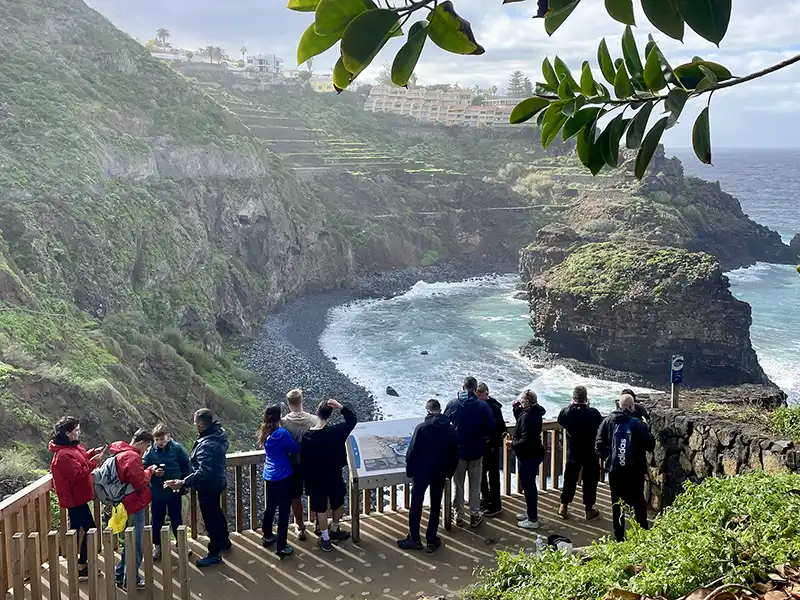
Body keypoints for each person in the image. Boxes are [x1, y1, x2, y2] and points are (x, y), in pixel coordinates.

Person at [165, 409, 230, 567]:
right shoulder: (220, 433)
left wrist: (183, 482)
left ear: (201, 424)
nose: (195, 425)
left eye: (195, 423)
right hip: (219, 479)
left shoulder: (206, 445)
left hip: (208, 485)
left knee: (210, 518)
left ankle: (214, 553)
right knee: (217, 512)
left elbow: (203, 471)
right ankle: (224, 540)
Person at [397, 399, 459, 553]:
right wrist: (448, 474)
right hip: (439, 473)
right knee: (435, 505)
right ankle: (431, 540)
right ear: (440, 410)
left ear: (427, 411)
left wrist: (410, 471)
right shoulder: (450, 429)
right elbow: (455, 455)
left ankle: (414, 539)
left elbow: (411, 453)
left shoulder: (421, 428)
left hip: (421, 472)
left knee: (416, 505)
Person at [49, 416, 106, 581]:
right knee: (90, 530)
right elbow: (76, 474)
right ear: (68, 433)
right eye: (76, 430)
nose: (79, 433)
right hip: (74, 499)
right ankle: (81, 566)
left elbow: (80, 459)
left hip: (77, 497)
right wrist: (94, 463)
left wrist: (92, 453)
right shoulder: (63, 455)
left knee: (75, 530)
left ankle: (77, 565)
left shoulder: (72, 448)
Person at [596, 394, 656, 541]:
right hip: (634, 469)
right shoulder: (637, 424)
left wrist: (609, 458)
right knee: (638, 500)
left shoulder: (608, 421)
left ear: (619, 406)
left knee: (617, 503)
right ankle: (642, 531)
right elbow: (650, 445)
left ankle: (619, 536)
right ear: (631, 406)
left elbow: (598, 445)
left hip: (616, 470)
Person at [301, 398, 357, 552]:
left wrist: (306, 480)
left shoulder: (307, 437)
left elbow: (304, 461)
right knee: (337, 502)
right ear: (329, 415)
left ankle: (325, 538)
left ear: (317, 413)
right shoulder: (336, 432)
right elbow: (352, 420)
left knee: (320, 508)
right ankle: (335, 529)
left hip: (316, 478)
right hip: (334, 474)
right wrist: (340, 406)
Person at [110, 429, 161, 590]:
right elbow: (141, 482)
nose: (145, 450)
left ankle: (120, 575)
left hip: (124, 503)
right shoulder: (132, 457)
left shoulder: (119, 452)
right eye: (146, 447)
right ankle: (131, 579)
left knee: (130, 541)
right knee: (136, 543)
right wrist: (150, 471)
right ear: (141, 443)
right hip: (133, 505)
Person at [444, 376, 496, 528]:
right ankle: (474, 515)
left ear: (462, 387)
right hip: (477, 451)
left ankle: (458, 515)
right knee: (475, 485)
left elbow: (444, 423)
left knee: (458, 485)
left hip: (458, 452)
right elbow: (491, 427)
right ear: (474, 389)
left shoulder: (453, 404)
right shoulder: (482, 406)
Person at [143, 423, 191, 561]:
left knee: (176, 518)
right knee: (157, 520)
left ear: (168, 437)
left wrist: (184, 484)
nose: (160, 442)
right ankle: (156, 545)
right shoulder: (150, 451)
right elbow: (144, 466)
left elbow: (186, 467)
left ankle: (182, 543)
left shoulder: (177, 449)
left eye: (162, 439)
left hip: (173, 490)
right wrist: (153, 472)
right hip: (157, 491)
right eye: (157, 440)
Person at [557, 386, 604, 521]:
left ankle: (563, 506)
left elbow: (561, 419)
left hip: (573, 452)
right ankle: (589, 509)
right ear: (586, 399)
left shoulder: (567, 413)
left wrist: (573, 406)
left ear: (573, 399)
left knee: (569, 479)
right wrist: (586, 407)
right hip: (590, 452)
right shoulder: (593, 413)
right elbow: (599, 424)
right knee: (590, 480)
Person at [259, 405, 300, 558]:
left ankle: (268, 535)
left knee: (270, 507)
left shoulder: (265, 432)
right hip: (283, 476)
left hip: (269, 476)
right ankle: (281, 546)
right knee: (283, 512)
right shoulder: (282, 434)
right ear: (279, 417)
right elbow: (294, 449)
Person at [281, 388, 318, 541]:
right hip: (312, 464)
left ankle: (301, 526)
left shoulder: (284, 423)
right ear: (302, 401)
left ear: (289, 404)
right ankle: (318, 522)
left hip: (293, 465)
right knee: (316, 493)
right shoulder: (314, 420)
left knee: (295, 496)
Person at [508, 389, 545, 530]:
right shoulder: (534, 412)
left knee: (529, 487)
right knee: (529, 485)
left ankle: (533, 519)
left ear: (528, 401)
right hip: (534, 454)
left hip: (528, 456)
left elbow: (525, 439)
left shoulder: (528, 416)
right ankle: (530, 512)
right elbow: (522, 422)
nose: (520, 401)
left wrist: (512, 443)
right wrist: (516, 409)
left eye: (522, 399)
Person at [476, 381, 508, 518]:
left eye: (480, 395)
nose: (478, 398)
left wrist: (492, 441)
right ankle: (486, 498)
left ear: (486, 394)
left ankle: (496, 504)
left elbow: (501, 429)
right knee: (481, 475)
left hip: (492, 447)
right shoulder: (480, 406)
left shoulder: (494, 407)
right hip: (482, 448)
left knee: (493, 476)